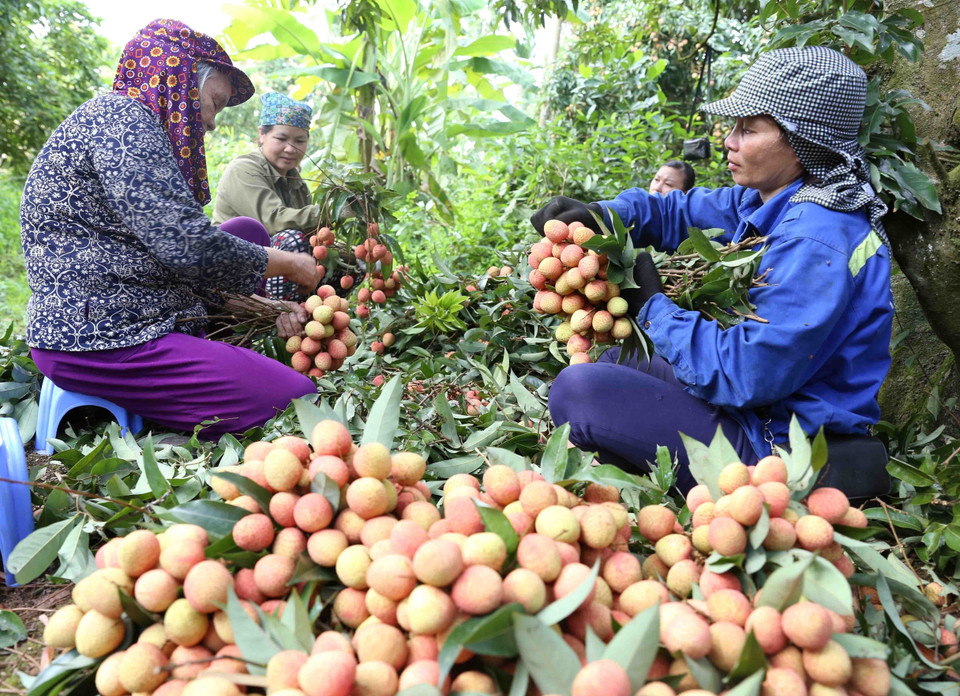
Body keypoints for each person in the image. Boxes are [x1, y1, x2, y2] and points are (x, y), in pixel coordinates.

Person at [531, 46, 893, 494]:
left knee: (579, 392)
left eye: (748, 130)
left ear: (803, 141)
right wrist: (598, 215)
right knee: (615, 358)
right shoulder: (775, 199)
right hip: (760, 414)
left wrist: (653, 309)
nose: (729, 141)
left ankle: (687, 494)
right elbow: (675, 212)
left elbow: (745, 374)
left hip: (778, 451)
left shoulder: (817, 236)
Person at [20, 19, 318, 440]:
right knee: (297, 401)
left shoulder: (129, 121)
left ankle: (208, 364)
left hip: (135, 296)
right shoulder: (122, 120)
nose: (213, 121)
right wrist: (289, 265)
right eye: (215, 100)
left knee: (245, 231)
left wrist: (265, 306)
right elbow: (187, 247)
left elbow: (171, 243)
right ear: (177, 80)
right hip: (102, 332)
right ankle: (197, 383)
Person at [213, 92, 355, 300]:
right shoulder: (244, 169)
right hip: (233, 269)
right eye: (281, 139)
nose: (290, 148)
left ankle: (314, 317)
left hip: (268, 266)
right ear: (262, 134)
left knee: (349, 261)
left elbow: (313, 233)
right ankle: (278, 321)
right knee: (292, 241)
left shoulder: (295, 182)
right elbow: (274, 222)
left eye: (299, 140)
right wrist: (333, 210)